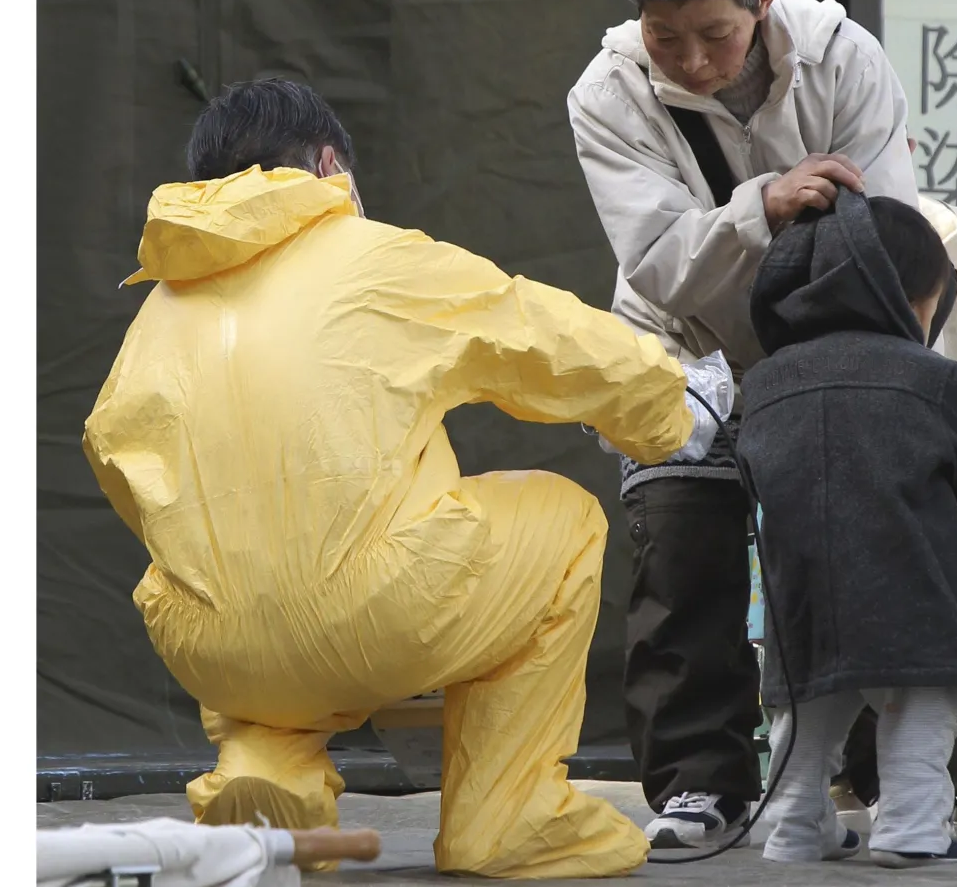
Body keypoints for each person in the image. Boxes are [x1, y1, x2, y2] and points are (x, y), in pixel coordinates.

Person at [81, 78, 732, 879]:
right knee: (561, 519)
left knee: (238, 591)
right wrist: (672, 406)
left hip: (214, 648)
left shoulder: (155, 316)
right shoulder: (376, 257)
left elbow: (117, 460)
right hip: (376, 606)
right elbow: (541, 334)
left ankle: (265, 777)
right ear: (330, 167)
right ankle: (508, 817)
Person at [567, 0, 957, 848]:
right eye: (667, 38)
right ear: (636, 21)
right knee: (680, 530)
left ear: (764, 3)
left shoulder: (843, 57)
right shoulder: (607, 93)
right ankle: (701, 784)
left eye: (715, 35)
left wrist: (834, 372)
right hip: (684, 342)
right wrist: (768, 204)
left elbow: (886, 240)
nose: (692, 61)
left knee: (893, 519)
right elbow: (658, 261)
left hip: (845, 333)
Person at [738, 193, 957, 868]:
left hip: (801, 590)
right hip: (915, 582)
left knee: (808, 715)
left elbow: (754, 476)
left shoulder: (766, 384)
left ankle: (796, 828)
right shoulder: (938, 380)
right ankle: (912, 825)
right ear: (903, 294)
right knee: (920, 697)